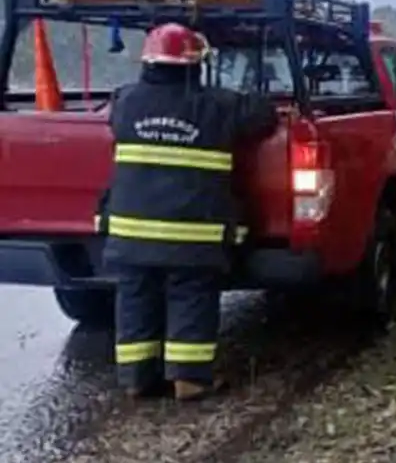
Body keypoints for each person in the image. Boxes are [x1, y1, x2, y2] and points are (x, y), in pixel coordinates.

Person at [99, 23, 279, 402]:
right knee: (191, 297)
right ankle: (190, 380)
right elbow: (264, 115)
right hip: (191, 233)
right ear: (195, 65)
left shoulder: (125, 102)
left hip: (131, 232)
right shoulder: (218, 105)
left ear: (148, 62)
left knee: (135, 298)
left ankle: (135, 379)